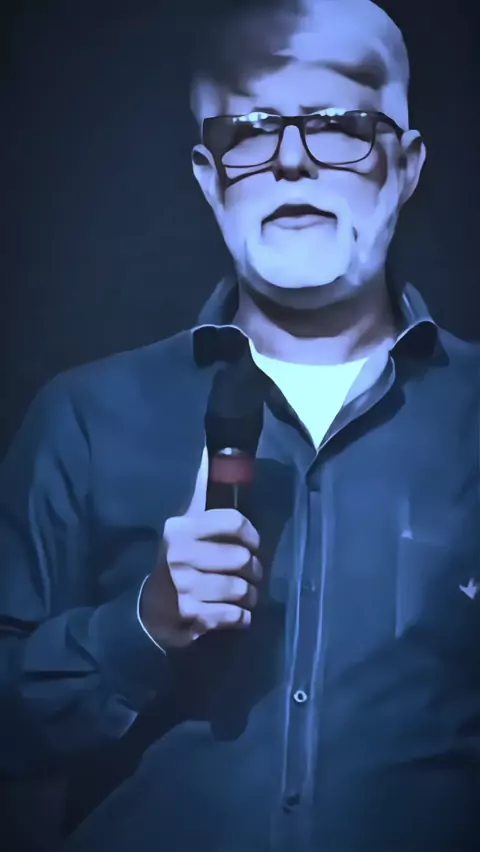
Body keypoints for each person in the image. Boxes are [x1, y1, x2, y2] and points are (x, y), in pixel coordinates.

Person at [1, 0, 479, 850]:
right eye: (251, 131)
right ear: (207, 173)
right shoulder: (85, 417)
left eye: (337, 125)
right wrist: (141, 627)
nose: (291, 160)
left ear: (406, 166)